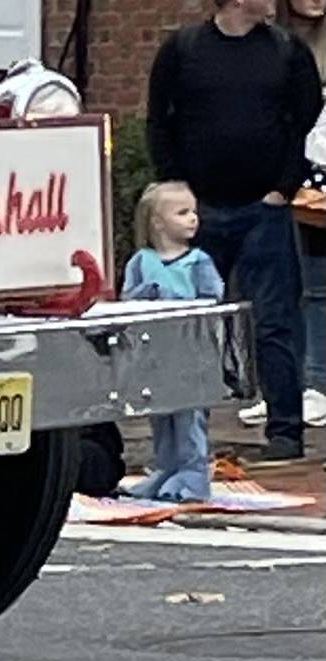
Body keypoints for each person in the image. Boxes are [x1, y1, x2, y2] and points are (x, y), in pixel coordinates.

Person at [146, 0, 320, 463]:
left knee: (275, 321)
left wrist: (282, 189)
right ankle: (185, 433)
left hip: (262, 206)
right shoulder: (185, 50)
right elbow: (161, 120)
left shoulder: (286, 52)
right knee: (194, 320)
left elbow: (303, 119)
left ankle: (285, 431)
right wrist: (175, 188)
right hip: (200, 208)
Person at [119, 182, 224, 504]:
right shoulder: (141, 261)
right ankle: (166, 469)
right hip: (156, 355)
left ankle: (193, 475)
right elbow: (127, 298)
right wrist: (143, 295)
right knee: (161, 415)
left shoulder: (198, 261)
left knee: (189, 417)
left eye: (193, 211)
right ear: (157, 222)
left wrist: (177, 300)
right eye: (182, 213)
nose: (193, 218)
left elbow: (213, 296)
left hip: (191, 353)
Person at [285, 0, 326, 426]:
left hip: (319, 179)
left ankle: (316, 379)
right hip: (283, 174)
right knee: (282, 286)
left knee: (316, 285)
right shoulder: (277, 44)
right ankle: (287, 382)